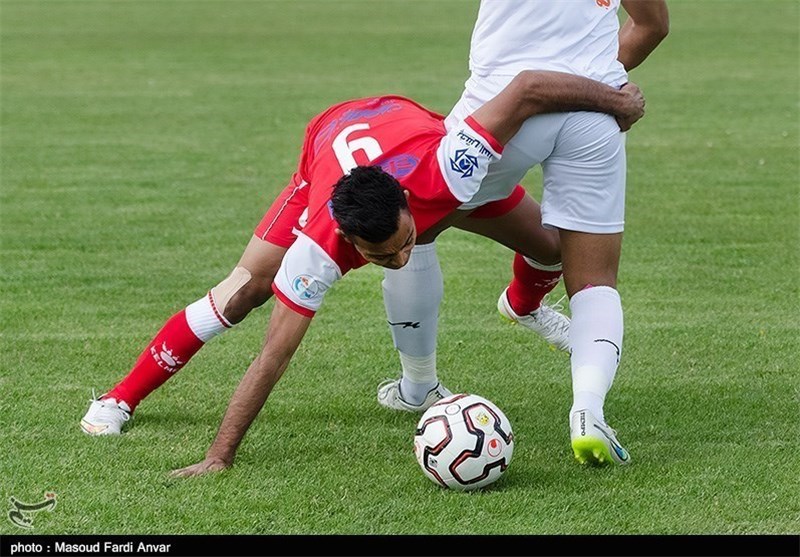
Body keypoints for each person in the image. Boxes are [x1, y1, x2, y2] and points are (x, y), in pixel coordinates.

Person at [79, 69, 644, 479]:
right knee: (242, 292)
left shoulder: (449, 167)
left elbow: (526, 89)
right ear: (349, 243)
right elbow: (271, 357)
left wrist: (613, 101)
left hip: (403, 133)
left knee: (551, 248)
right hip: (326, 147)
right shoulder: (318, 249)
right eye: (380, 257)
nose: (396, 260)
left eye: (404, 244)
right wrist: (220, 454)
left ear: (406, 204)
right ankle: (119, 398)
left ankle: (521, 307)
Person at [377, 0, 669, 467]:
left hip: (502, 108)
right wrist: (585, 81)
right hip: (596, 114)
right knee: (595, 281)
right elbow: (653, 25)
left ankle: (418, 386)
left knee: (413, 231)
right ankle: (588, 411)